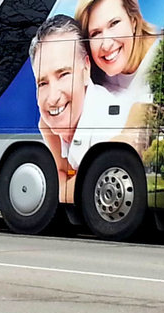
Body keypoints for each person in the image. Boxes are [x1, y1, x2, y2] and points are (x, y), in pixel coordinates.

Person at [29, 15, 111, 204]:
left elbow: (68, 193)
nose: (52, 97)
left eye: (64, 74)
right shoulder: (69, 122)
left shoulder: (106, 128)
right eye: (42, 83)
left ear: (86, 69)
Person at [71, 0, 159, 158]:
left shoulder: (159, 56)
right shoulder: (90, 72)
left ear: (133, 22)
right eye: (95, 33)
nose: (107, 43)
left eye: (114, 23)